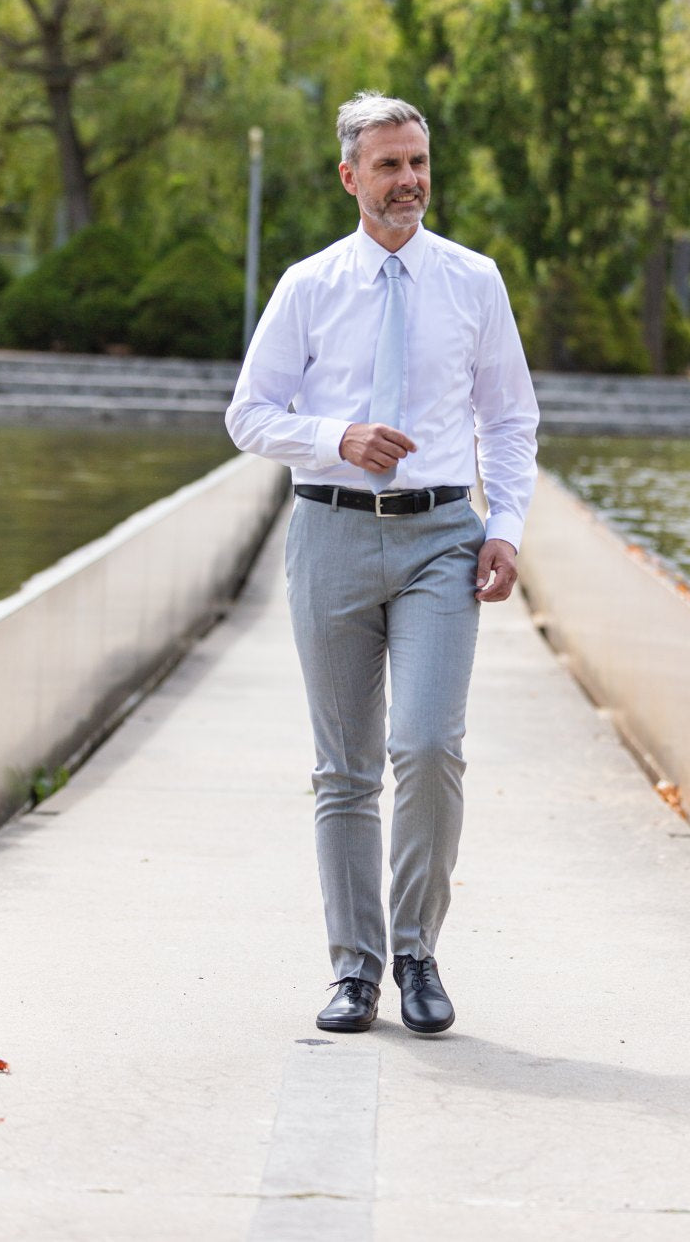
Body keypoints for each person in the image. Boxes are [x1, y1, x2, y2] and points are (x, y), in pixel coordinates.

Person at [225, 91, 539, 1035]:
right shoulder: (309, 285)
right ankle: (355, 969)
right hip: (330, 535)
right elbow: (250, 414)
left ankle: (417, 952)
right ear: (349, 176)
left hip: (442, 535)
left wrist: (507, 525)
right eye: (390, 165)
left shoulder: (474, 280)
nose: (409, 181)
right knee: (347, 769)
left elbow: (510, 417)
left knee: (430, 746)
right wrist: (336, 438)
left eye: (419, 162)